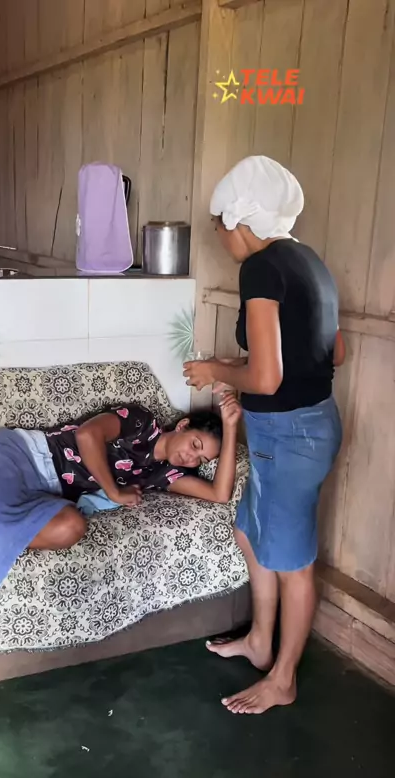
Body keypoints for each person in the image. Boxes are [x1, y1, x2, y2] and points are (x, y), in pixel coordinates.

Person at [184, 155, 345, 715]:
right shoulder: (309, 260)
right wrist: (239, 368)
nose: (220, 237)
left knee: (293, 561)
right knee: (250, 530)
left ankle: (284, 679)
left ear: (238, 220)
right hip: (306, 425)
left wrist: (216, 371)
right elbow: (332, 353)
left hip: (290, 435)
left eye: (218, 226)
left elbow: (269, 378)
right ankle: (259, 640)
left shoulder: (259, 269)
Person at [0, 394, 241, 603]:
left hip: (45, 492)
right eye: (195, 445)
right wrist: (114, 491)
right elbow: (87, 434)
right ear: (183, 426)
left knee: (70, 526)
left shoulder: (164, 474)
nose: (191, 458)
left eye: (201, 460)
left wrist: (230, 428)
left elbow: (219, 494)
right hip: (20, 457)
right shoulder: (141, 423)